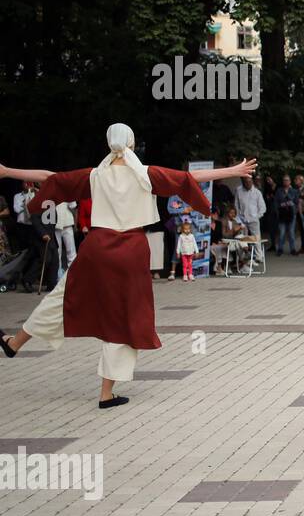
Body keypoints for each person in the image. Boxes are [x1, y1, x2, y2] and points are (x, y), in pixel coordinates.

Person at [0, 125, 252, 405]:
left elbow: (51, 178)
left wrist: (8, 171)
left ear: (109, 144)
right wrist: (230, 171)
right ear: (131, 143)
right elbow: (188, 179)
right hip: (130, 252)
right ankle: (106, 393)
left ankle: (14, 343)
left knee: (61, 298)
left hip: (96, 247)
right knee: (122, 317)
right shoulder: (146, 174)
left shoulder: (96, 175)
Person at [273, 175, 300, 256]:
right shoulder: (279, 191)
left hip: (291, 214)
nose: (286, 182)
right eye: (284, 180)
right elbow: (275, 202)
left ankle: (292, 249)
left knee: (291, 233)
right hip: (282, 214)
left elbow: (297, 202)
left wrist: (295, 212)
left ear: (290, 181)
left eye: (287, 180)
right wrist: (277, 212)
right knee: (282, 232)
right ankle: (280, 249)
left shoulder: (294, 191)